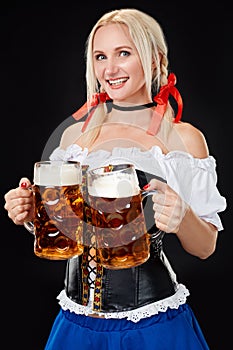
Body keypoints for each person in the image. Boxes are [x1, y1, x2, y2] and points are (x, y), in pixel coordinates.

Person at [4, 8, 226, 350]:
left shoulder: (183, 138)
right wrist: (29, 213)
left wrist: (182, 216)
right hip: (76, 323)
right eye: (100, 56)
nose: (110, 69)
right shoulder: (74, 136)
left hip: (151, 326)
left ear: (154, 60)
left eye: (124, 53)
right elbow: (64, 229)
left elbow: (206, 247)